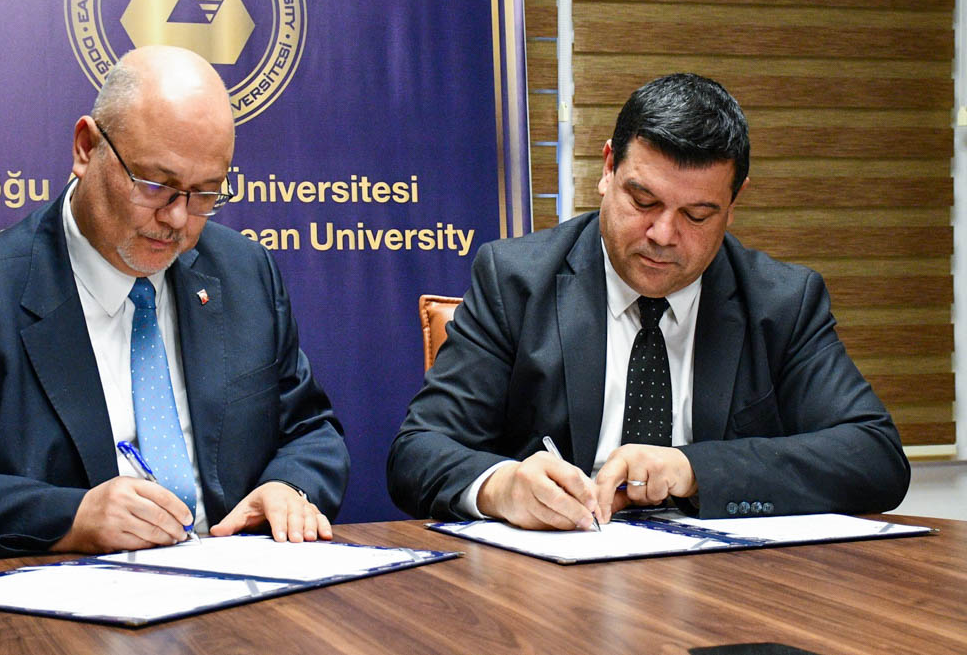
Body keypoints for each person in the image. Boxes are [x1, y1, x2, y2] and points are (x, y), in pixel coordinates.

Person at [0, 46, 350, 587]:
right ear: (86, 148)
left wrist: (288, 487)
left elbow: (309, 428)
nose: (178, 218)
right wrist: (68, 518)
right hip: (54, 611)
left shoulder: (245, 275)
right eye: (155, 184)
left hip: (238, 596)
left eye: (204, 194)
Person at [388, 73, 909, 530]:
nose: (662, 234)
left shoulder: (782, 303)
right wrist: (502, 487)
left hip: (723, 583)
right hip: (554, 577)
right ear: (608, 168)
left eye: (697, 216)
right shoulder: (516, 281)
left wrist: (694, 468)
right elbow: (418, 451)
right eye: (643, 201)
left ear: (733, 204)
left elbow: (874, 457)